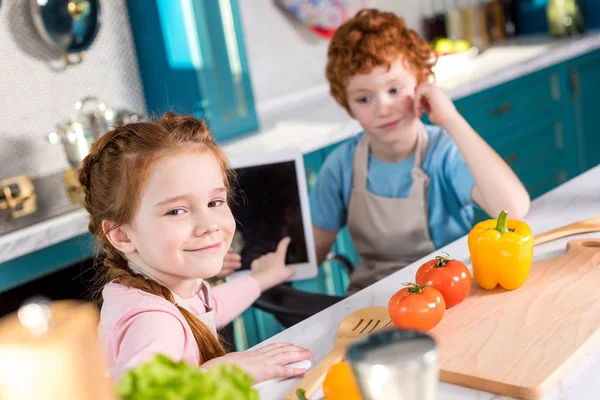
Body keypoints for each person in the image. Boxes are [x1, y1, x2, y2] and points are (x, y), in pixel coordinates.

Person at [308, 9, 531, 295]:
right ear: (347, 104)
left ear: (423, 81)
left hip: (449, 294)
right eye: (364, 98)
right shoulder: (341, 165)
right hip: (372, 303)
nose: (382, 108)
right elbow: (312, 254)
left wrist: (451, 120)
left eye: (395, 89)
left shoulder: (443, 153)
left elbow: (512, 209)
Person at [78, 112, 311, 382]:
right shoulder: (153, 321)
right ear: (121, 236)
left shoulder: (170, 289)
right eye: (176, 211)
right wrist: (224, 373)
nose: (209, 224)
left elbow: (213, 307)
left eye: (215, 202)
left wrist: (262, 278)